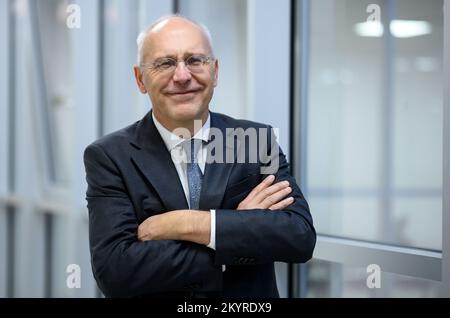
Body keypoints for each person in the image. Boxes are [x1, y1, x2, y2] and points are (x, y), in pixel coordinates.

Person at [83, 15, 316, 298]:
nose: (182, 76)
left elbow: (298, 237)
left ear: (215, 72)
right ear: (140, 78)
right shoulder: (109, 156)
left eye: (195, 60)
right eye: (165, 63)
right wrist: (235, 228)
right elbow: (117, 272)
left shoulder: (256, 141)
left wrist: (186, 223)